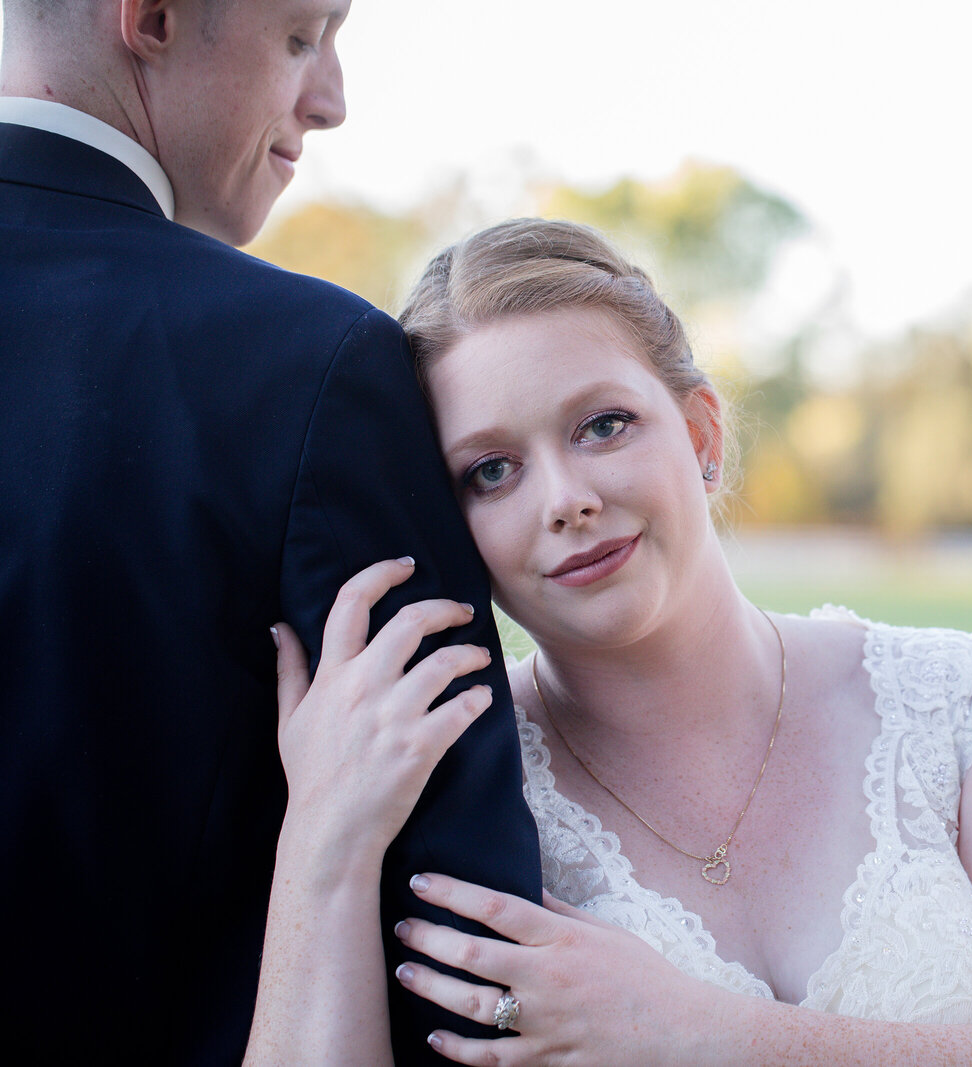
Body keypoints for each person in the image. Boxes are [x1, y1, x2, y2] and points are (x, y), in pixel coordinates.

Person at [268, 218, 972, 1064]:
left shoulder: (967, 710)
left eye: (602, 425)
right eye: (491, 471)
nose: (565, 498)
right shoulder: (449, 787)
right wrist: (321, 838)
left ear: (701, 434)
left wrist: (706, 1037)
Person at [0, 2, 541, 1061]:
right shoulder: (313, 365)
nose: (330, 100)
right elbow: (462, 951)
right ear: (150, 17)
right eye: (301, 35)